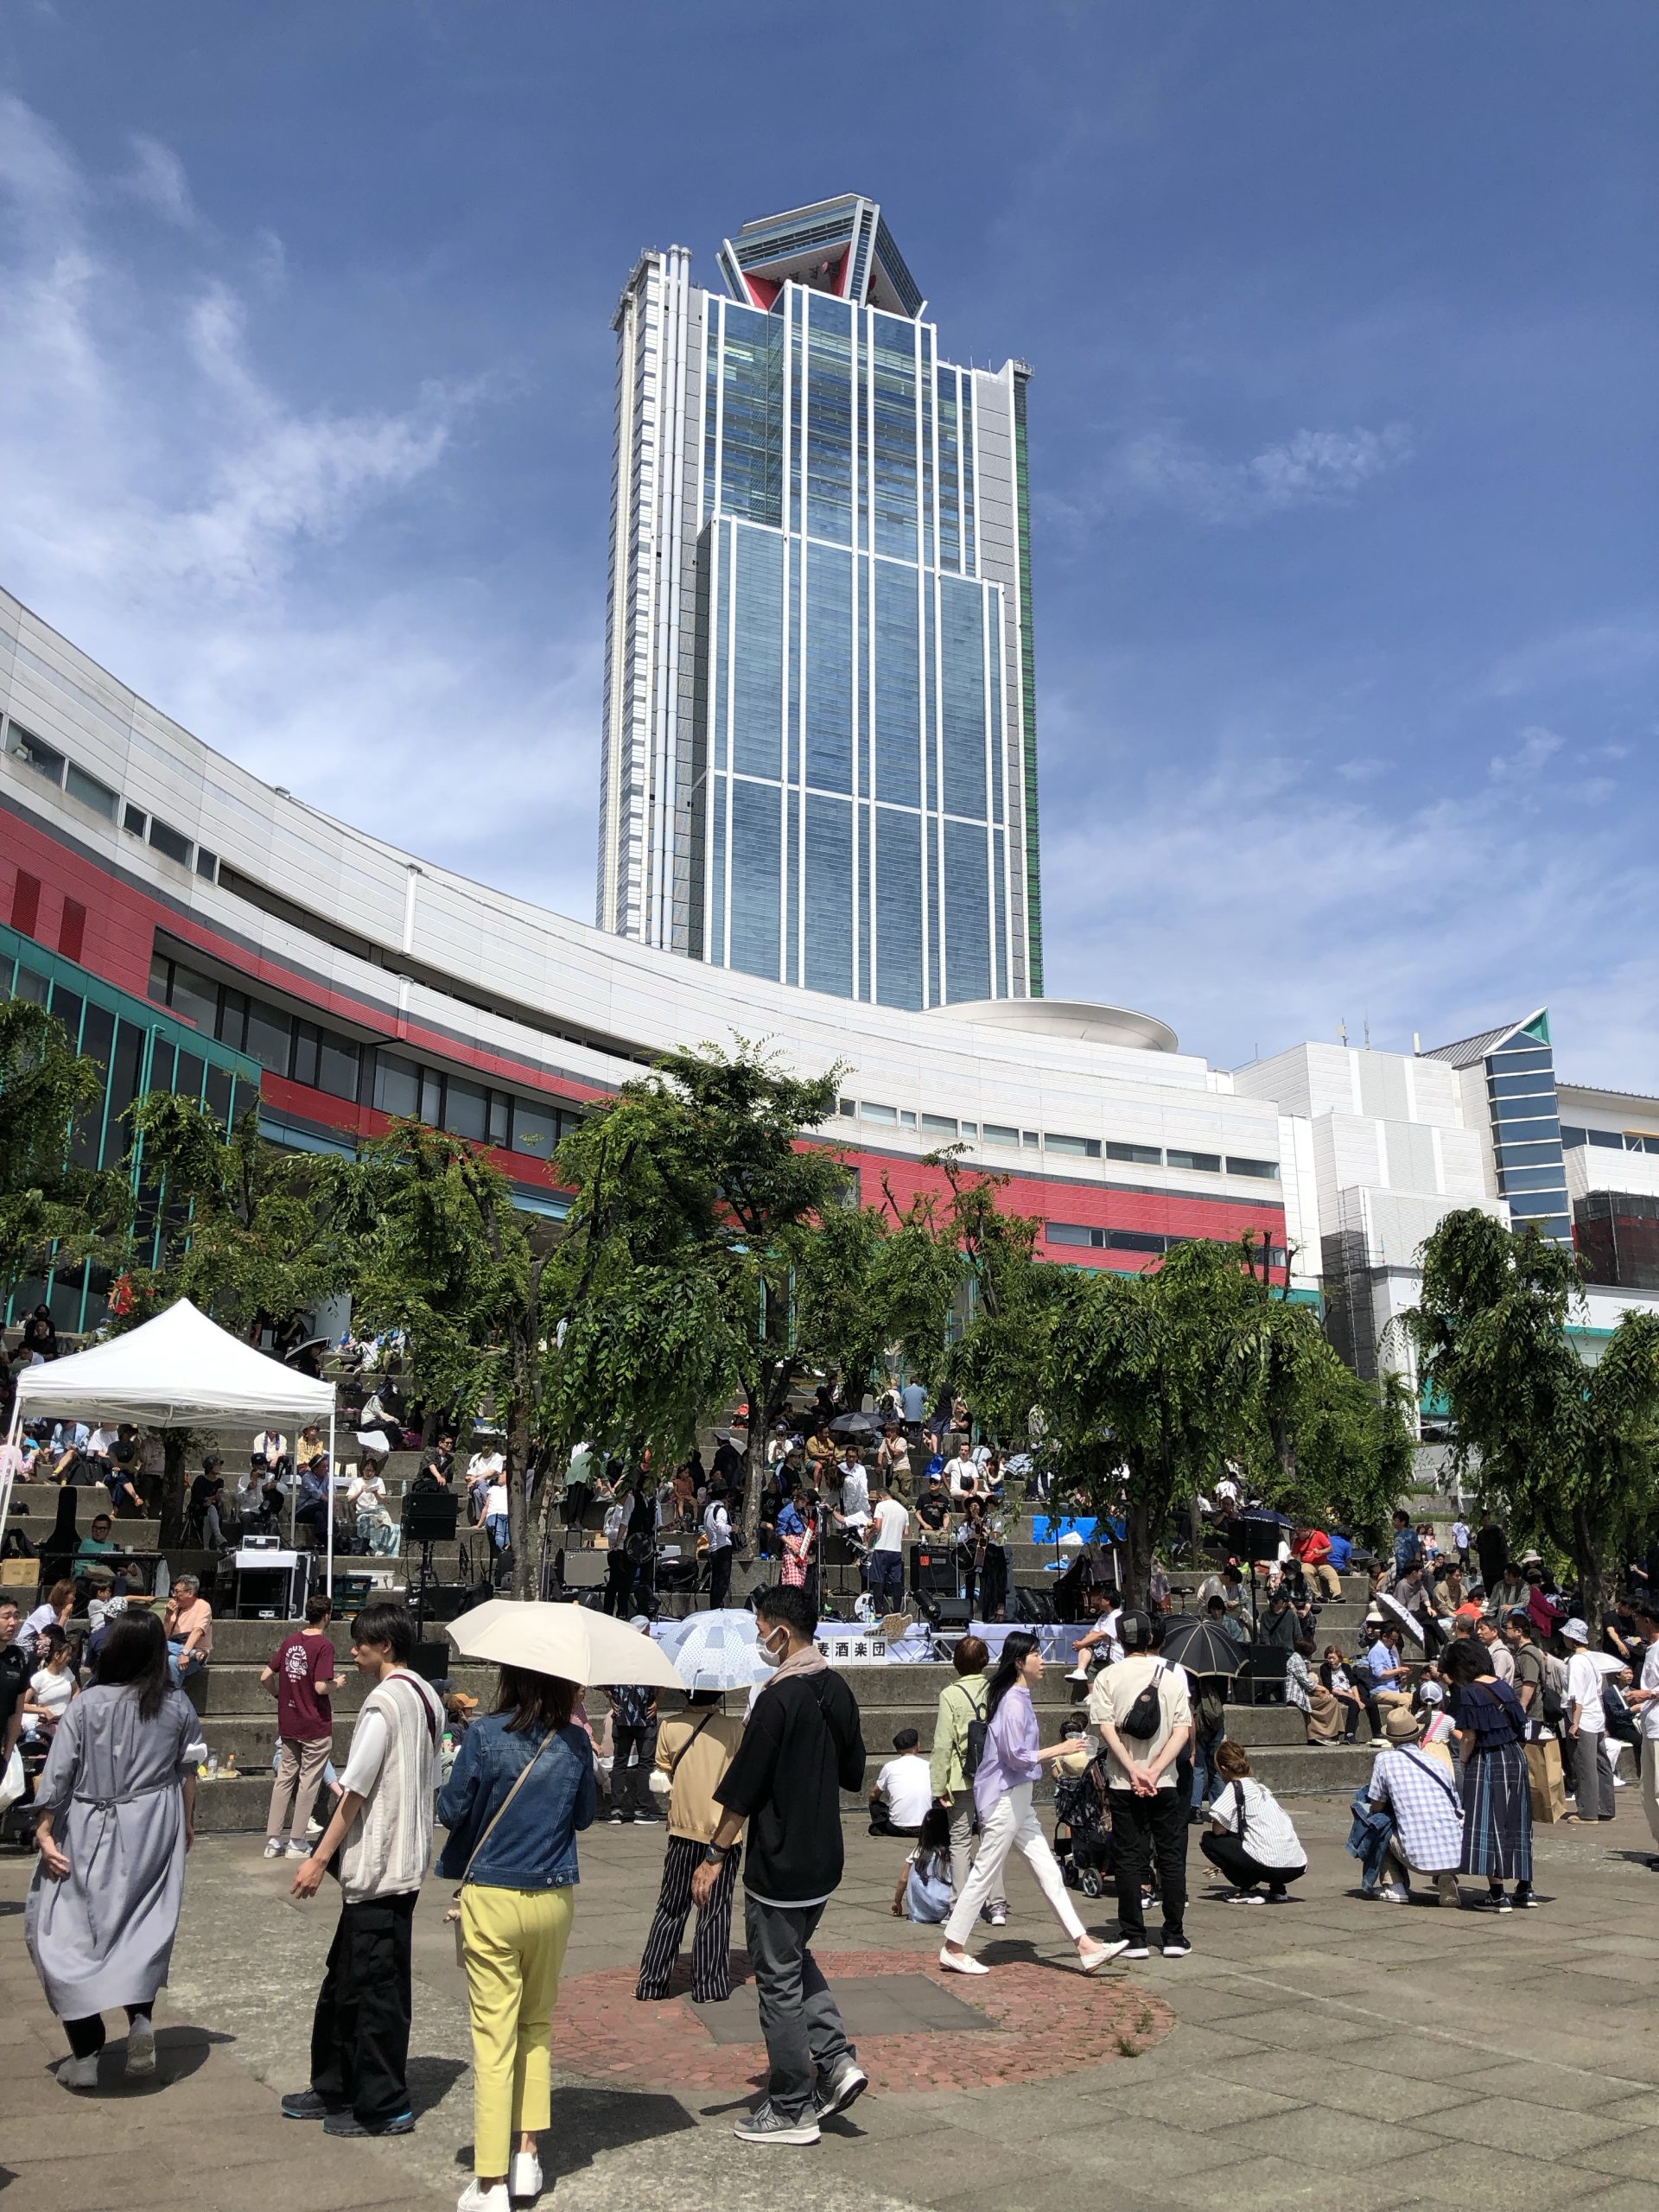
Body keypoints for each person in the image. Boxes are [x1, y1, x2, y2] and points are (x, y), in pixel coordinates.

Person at [689, 1584, 868, 2145]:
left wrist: (714, 1855)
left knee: (777, 1982)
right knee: (792, 1958)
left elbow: (744, 1789)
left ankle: (792, 2105)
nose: (759, 1638)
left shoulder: (777, 1698)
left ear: (782, 1633)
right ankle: (835, 2061)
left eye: (761, 1628)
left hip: (781, 1861)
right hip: (824, 1858)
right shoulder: (836, 1689)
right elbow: (853, 1771)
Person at [437, 1649, 595, 2212]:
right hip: (552, 1894)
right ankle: (527, 2154)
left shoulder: (485, 1734)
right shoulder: (574, 1741)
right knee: (536, 2024)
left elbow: (452, 1810)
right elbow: (584, 1816)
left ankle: (490, 2180)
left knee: (493, 2037)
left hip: (493, 1894)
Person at [284, 1602, 444, 2139]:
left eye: (361, 1644)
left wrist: (317, 1859)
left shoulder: (385, 1703)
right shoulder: (428, 1696)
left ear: (386, 1646)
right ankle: (336, 2085)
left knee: (375, 1989)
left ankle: (383, 2103)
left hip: (381, 1864)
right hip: (404, 1857)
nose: (353, 1652)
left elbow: (353, 1793)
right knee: (348, 1979)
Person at [26, 1611, 199, 2089]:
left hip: (91, 1821)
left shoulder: (88, 1703)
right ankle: (140, 2018)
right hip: (155, 1822)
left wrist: (44, 1828)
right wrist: (187, 1824)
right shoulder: (176, 1703)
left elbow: (60, 1770)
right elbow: (189, 1769)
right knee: (141, 1926)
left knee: (64, 1930)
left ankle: (85, 2052)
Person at [941, 1630, 1125, 1978]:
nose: (1042, 1661)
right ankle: (953, 1947)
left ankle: (1085, 1946)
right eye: (1036, 1655)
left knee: (1048, 1871)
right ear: (1018, 1662)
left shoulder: (1018, 1697)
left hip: (1017, 1798)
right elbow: (1014, 1756)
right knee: (985, 1872)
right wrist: (1061, 1749)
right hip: (1005, 1798)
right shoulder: (1012, 1701)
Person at [1088, 1612, 1194, 1959]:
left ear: (1119, 1640)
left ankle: (1133, 1936)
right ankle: (1174, 1935)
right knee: (1171, 1856)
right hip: (1166, 1781)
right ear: (1150, 1638)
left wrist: (1133, 1770)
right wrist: (1155, 1770)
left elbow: (1105, 1729)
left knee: (1129, 1857)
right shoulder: (1172, 1676)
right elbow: (1182, 1732)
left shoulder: (1107, 1676)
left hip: (1123, 1781)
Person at [636, 1689, 747, 2005]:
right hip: (722, 1833)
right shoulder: (735, 1728)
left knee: (671, 1906)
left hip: (682, 1827)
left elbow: (662, 1770)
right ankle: (709, 1985)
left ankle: (652, 1983)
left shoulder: (670, 1726)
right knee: (715, 1909)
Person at [1442, 1635, 1534, 1910]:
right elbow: (1519, 1722)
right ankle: (1525, 1888)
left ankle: (1497, 1893)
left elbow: (1469, 1737)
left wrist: (1464, 1762)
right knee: (1517, 1821)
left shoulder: (1469, 1693)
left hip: (1489, 1758)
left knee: (1489, 1821)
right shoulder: (1502, 1686)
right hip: (1515, 1756)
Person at [929, 1634, 1007, 1924]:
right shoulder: (997, 1690)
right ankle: (997, 1905)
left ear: (955, 1662)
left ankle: (960, 1908)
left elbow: (942, 1744)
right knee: (992, 1839)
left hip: (962, 1776)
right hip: (994, 1775)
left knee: (960, 1842)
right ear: (985, 1660)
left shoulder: (950, 1694)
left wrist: (938, 1785)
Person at [262, 1594, 339, 1859]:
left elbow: (265, 1676)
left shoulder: (290, 1641)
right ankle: (297, 1841)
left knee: (284, 1779)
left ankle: (273, 1841)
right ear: (326, 1616)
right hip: (314, 1722)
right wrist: (337, 1684)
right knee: (309, 1781)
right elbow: (320, 1686)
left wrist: (278, 1696)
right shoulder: (324, 1646)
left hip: (289, 1720)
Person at [1365, 1706, 1464, 1904]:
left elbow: (1376, 1805)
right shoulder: (1437, 1764)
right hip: (1459, 1854)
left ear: (1391, 1740)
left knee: (1376, 1822)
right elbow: (1456, 1805)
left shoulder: (1384, 1759)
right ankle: (1446, 1876)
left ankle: (1394, 1886)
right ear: (1419, 1735)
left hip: (1417, 1857)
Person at [1200, 1741, 1307, 1901]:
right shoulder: (1262, 1789)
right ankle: (1278, 1889)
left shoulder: (1236, 1787)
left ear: (1223, 1769)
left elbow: (1219, 1829)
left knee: (1209, 1841)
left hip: (1271, 1865)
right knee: (1264, 1836)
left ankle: (1250, 1890)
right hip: (1297, 1865)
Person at [1562, 1618, 1617, 1824]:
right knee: (1601, 1763)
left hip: (1583, 1717)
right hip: (1596, 1716)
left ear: (1571, 1638)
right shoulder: (1592, 1660)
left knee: (1584, 1764)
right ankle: (1606, 1807)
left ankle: (1588, 1811)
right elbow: (1597, 1692)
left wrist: (1575, 1723)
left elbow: (1576, 1696)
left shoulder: (1576, 1661)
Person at [606, 1681, 661, 1825]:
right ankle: (641, 1811)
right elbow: (665, 1682)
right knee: (646, 1763)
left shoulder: (618, 1666)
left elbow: (601, 1682)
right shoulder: (652, 1666)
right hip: (646, 1714)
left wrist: (610, 1697)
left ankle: (616, 1811)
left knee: (619, 1762)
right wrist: (658, 1700)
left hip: (622, 1714)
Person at [893, 1803, 955, 1923]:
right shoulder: (952, 1852)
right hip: (946, 1907)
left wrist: (897, 1901)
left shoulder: (920, 1851)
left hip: (922, 1912)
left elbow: (903, 1879)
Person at [868, 1727, 931, 1836]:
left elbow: (874, 1794)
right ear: (918, 1746)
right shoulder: (929, 1766)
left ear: (898, 1750)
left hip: (897, 1828)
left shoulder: (890, 1767)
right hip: (926, 1827)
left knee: (875, 1805)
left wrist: (873, 1802)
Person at [865, 1477, 909, 1612]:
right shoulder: (903, 1510)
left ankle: (878, 1613)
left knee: (878, 1580)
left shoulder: (881, 1506)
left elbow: (878, 1526)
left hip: (882, 1548)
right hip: (896, 1549)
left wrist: (869, 1534)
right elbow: (906, 1533)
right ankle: (896, 1612)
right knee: (896, 1581)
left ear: (881, 1497)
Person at [162, 1574, 213, 1687]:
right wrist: (168, 1616)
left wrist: (185, 1652)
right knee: (160, 1645)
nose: (174, 1595)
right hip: (179, 1650)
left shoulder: (202, 1606)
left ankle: (173, 1693)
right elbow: (163, 1637)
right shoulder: (174, 1607)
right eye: (173, 1591)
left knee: (172, 1660)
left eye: (177, 1592)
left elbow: (198, 1631)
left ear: (190, 1593)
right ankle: (194, 1654)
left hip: (195, 1653)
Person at [1320, 1647, 1365, 1742]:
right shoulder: (1324, 1668)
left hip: (1350, 1692)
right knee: (1354, 1704)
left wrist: (1357, 1698)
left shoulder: (1346, 1667)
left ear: (1339, 1658)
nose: (1331, 1660)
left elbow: (1353, 1684)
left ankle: (1377, 1733)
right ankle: (1349, 1734)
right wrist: (1350, 1697)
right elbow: (1329, 1688)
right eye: (1329, 1658)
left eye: (1333, 1658)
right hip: (1338, 1694)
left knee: (1372, 1703)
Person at [702, 1484, 734, 1611]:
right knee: (723, 1579)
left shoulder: (708, 1509)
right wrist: (732, 1528)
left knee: (716, 1579)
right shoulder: (720, 1510)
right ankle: (718, 1604)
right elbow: (721, 1528)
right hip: (722, 1546)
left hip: (713, 1546)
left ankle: (714, 1605)